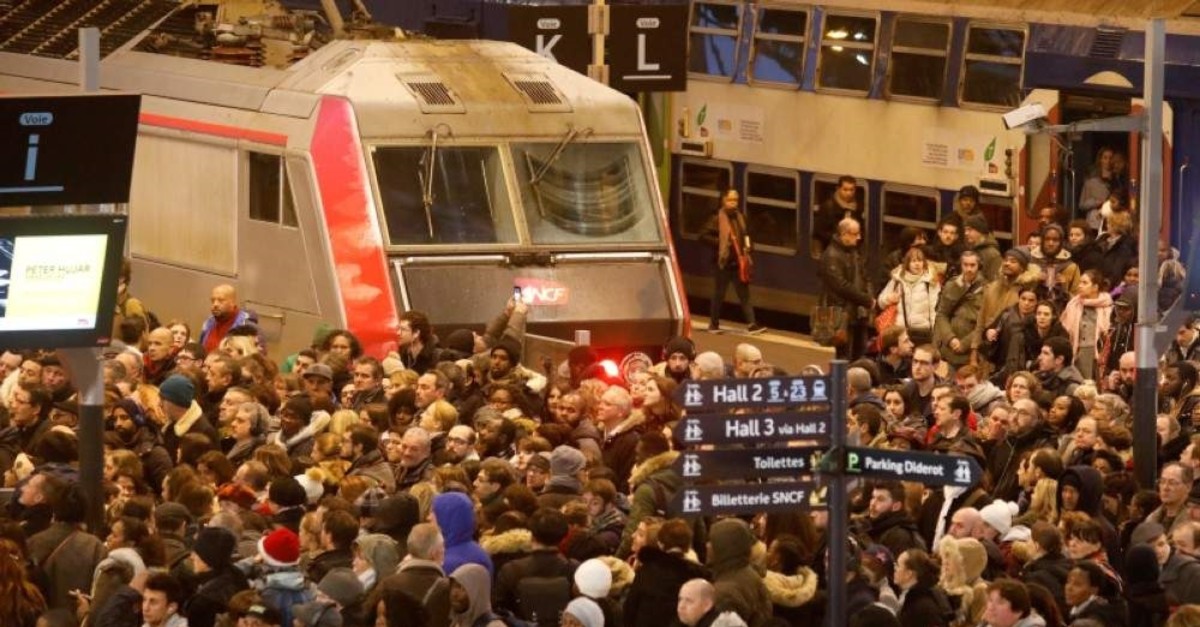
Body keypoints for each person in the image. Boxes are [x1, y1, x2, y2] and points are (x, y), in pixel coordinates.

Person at [703, 188, 764, 335]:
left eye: (735, 200)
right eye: (730, 200)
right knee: (719, 294)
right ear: (723, 200)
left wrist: (749, 247)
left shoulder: (740, 217)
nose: (733, 203)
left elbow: (746, 234)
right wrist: (722, 243)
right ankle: (714, 323)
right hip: (723, 263)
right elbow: (703, 236)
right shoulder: (717, 218)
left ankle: (751, 324)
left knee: (745, 295)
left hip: (738, 262)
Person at [818, 217, 873, 360]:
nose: (859, 237)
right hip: (842, 314)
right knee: (844, 356)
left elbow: (863, 276)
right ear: (844, 234)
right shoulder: (831, 255)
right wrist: (866, 300)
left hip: (857, 313)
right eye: (855, 234)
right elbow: (841, 286)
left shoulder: (852, 252)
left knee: (859, 355)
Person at [877, 247, 940, 347]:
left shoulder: (930, 282)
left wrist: (935, 331)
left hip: (923, 332)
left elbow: (935, 308)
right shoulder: (897, 280)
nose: (917, 264)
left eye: (920, 261)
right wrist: (889, 298)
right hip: (901, 331)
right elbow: (880, 302)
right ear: (907, 263)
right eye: (913, 261)